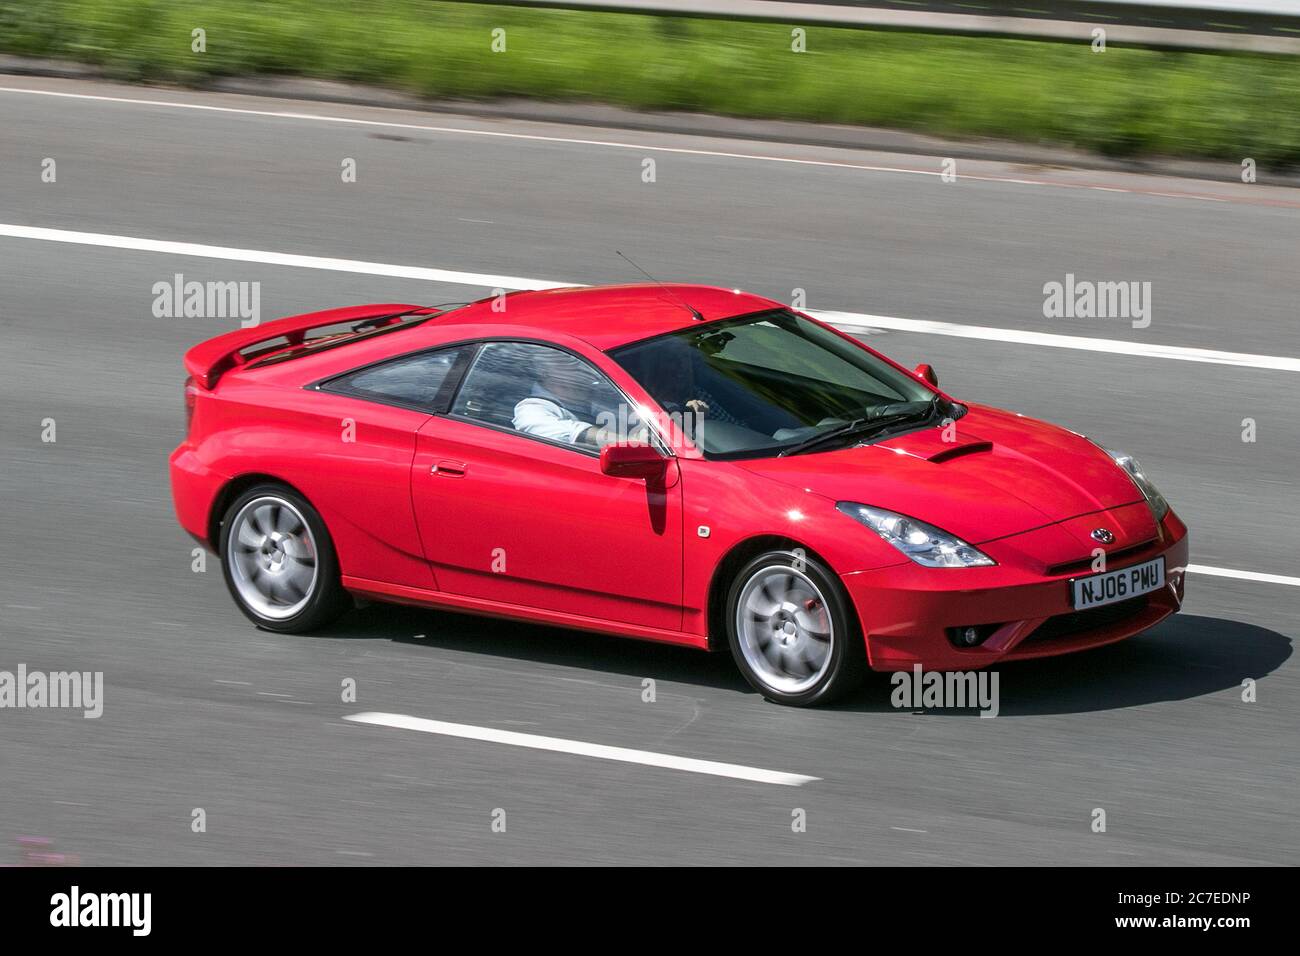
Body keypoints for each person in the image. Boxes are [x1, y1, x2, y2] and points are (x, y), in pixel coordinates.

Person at [513, 351, 647, 448]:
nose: (579, 366)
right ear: (544, 370)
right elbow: (572, 432)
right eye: (566, 361)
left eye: (577, 360)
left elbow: (651, 409)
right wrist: (630, 442)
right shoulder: (530, 409)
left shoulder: (606, 390)